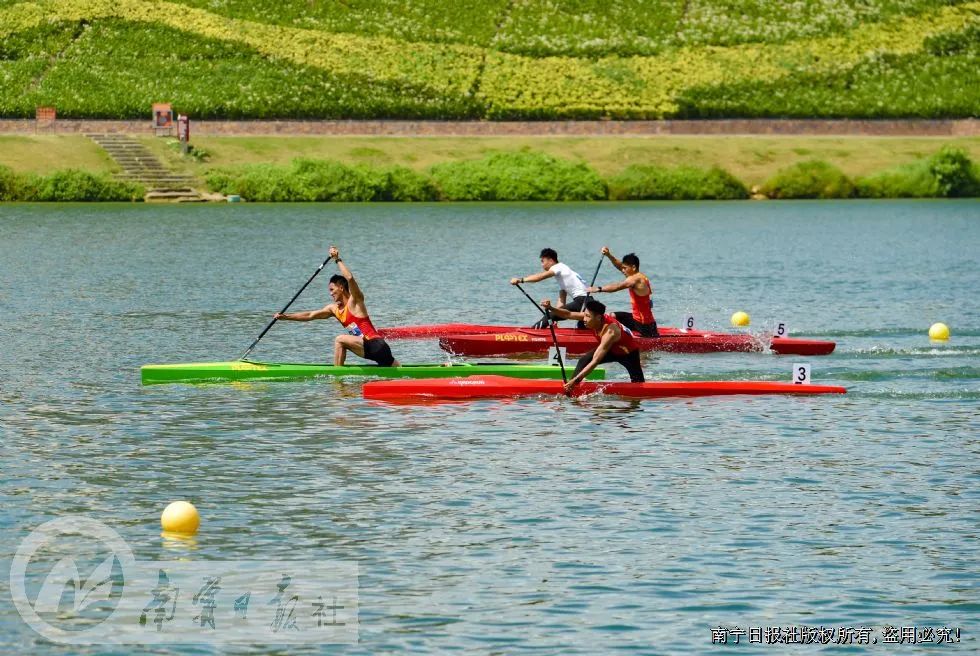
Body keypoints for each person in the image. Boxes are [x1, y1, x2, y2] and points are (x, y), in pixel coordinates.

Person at [275, 246, 399, 367]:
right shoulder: (333, 309)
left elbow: (349, 278)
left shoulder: (355, 300)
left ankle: (337, 375)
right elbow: (310, 315)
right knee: (398, 373)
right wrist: (286, 317)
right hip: (369, 349)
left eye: (332, 289)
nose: (330, 293)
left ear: (341, 288)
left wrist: (337, 259)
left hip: (376, 344)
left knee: (340, 340)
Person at [542, 298, 644, 393]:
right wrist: (551, 308)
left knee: (638, 383)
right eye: (585, 315)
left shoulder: (610, 332)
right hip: (611, 349)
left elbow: (595, 361)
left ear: (598, 317)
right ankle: (570, 387)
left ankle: (574, 383)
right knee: (584, 360)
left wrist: (577, 380)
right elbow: (568, 314)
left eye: (588, 316)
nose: (584, 319)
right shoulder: (592, 316)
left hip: (628, 354)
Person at [588, 247, 659, 338]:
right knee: (611, 316)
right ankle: (604, 334)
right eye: (623, 268)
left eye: (625, 268)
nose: (622, 270)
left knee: (609, 318)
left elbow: (618, 286)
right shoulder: (635, 275)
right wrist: (609, 255)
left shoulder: (636, 279)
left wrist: (599, 289)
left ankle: (609, 338)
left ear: (633, 267)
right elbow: (620, 266)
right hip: (636, 319)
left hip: (645, 325)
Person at [510, 248, 589, 329]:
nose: (542, 265)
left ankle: (533, 332)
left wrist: (521, 280)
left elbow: (540, 277)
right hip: (587, 302)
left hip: (582, 301)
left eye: (543, 261)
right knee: (582, 328)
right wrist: (556, 317)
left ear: (551, 261)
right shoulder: (564, 273)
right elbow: (562, 299)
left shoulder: (557, 267)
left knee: (549, 315)